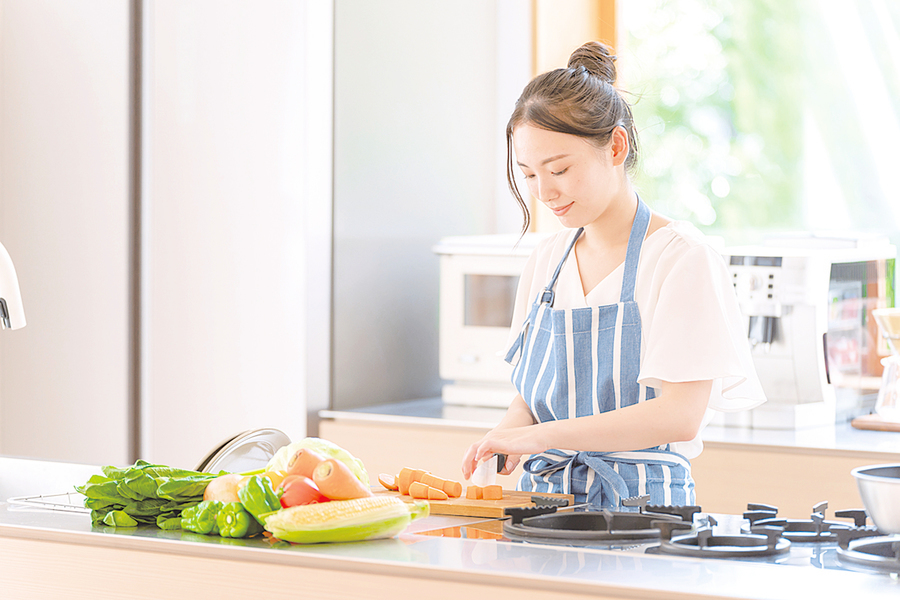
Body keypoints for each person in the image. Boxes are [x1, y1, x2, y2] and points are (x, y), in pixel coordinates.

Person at [460, 41, 766, 508]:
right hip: (543, 506)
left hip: (644, 511)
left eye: (559, 169)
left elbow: (679, 415)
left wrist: (541, 438)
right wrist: (505, 435)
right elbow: (530, 398)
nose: (545, 192)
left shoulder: (680, 257)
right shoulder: (547, 260)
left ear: (617, 146)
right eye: (529, 175)